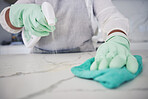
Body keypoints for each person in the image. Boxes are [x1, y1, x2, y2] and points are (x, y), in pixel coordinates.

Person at [0, 0, 138, 73]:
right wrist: (18, 14)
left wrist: (117, 37)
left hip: (84, 57)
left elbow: (111, 16)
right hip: (39, 60)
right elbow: (7, 22)